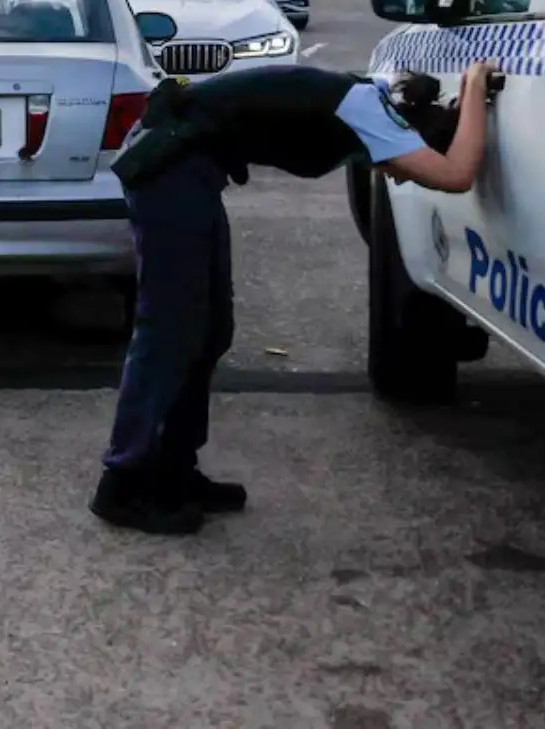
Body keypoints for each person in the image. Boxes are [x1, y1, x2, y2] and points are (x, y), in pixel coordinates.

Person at [91, 60, 497, 535]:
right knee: (171, 330)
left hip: (189, 168)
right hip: (167, 167)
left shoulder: (372, 103)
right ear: (415, 137)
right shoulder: (374, 117)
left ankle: (173, 469)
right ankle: (122, 483)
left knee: (211, 329)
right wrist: (475, 85)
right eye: (408, 170)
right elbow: (456, 174)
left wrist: (466, 96)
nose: (401, 179)